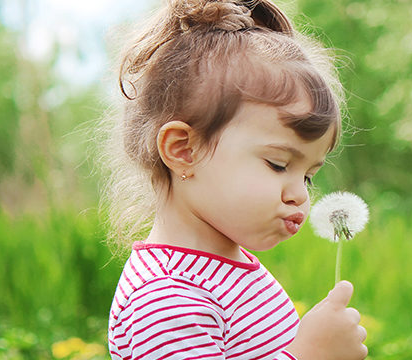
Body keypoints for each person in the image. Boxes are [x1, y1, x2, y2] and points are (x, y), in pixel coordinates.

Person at [101, 0, 367, 359]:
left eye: (308, 177)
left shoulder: (225, 269)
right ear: (183, 150)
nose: (299, 196)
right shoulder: (166, 297)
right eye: (277, 164)